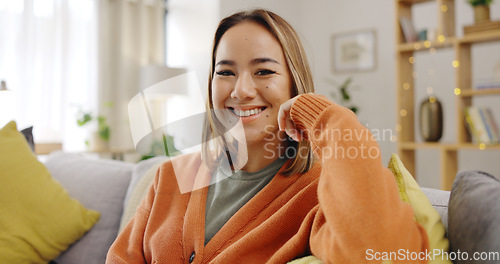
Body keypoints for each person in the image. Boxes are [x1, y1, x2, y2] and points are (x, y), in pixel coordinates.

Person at [106, 9, 429, 263]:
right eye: (225, 72)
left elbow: (380, 252)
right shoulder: (170, 177)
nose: (241, 90)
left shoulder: (318, 191)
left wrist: (329, 119)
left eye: (264, 71)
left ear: (294, 84)